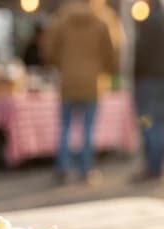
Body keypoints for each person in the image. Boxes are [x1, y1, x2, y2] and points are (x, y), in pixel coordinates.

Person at [42, 0, 122, 184]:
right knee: (87, 130)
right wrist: (103, 70)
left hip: (68, 80)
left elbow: (49, 47)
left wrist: (61, 65)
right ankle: (85, 169)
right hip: (92, 82)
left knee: (65, 128)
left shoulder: (61, 19)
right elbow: (111, 52)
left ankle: (62, 168)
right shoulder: (103, 20)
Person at [132, 0, 164, 181]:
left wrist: (136, 77)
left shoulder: (149, 23)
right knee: (162, 123)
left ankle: (151, 166)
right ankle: (160, 166)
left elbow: (140, 52)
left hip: (148, 81)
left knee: (147, 122)